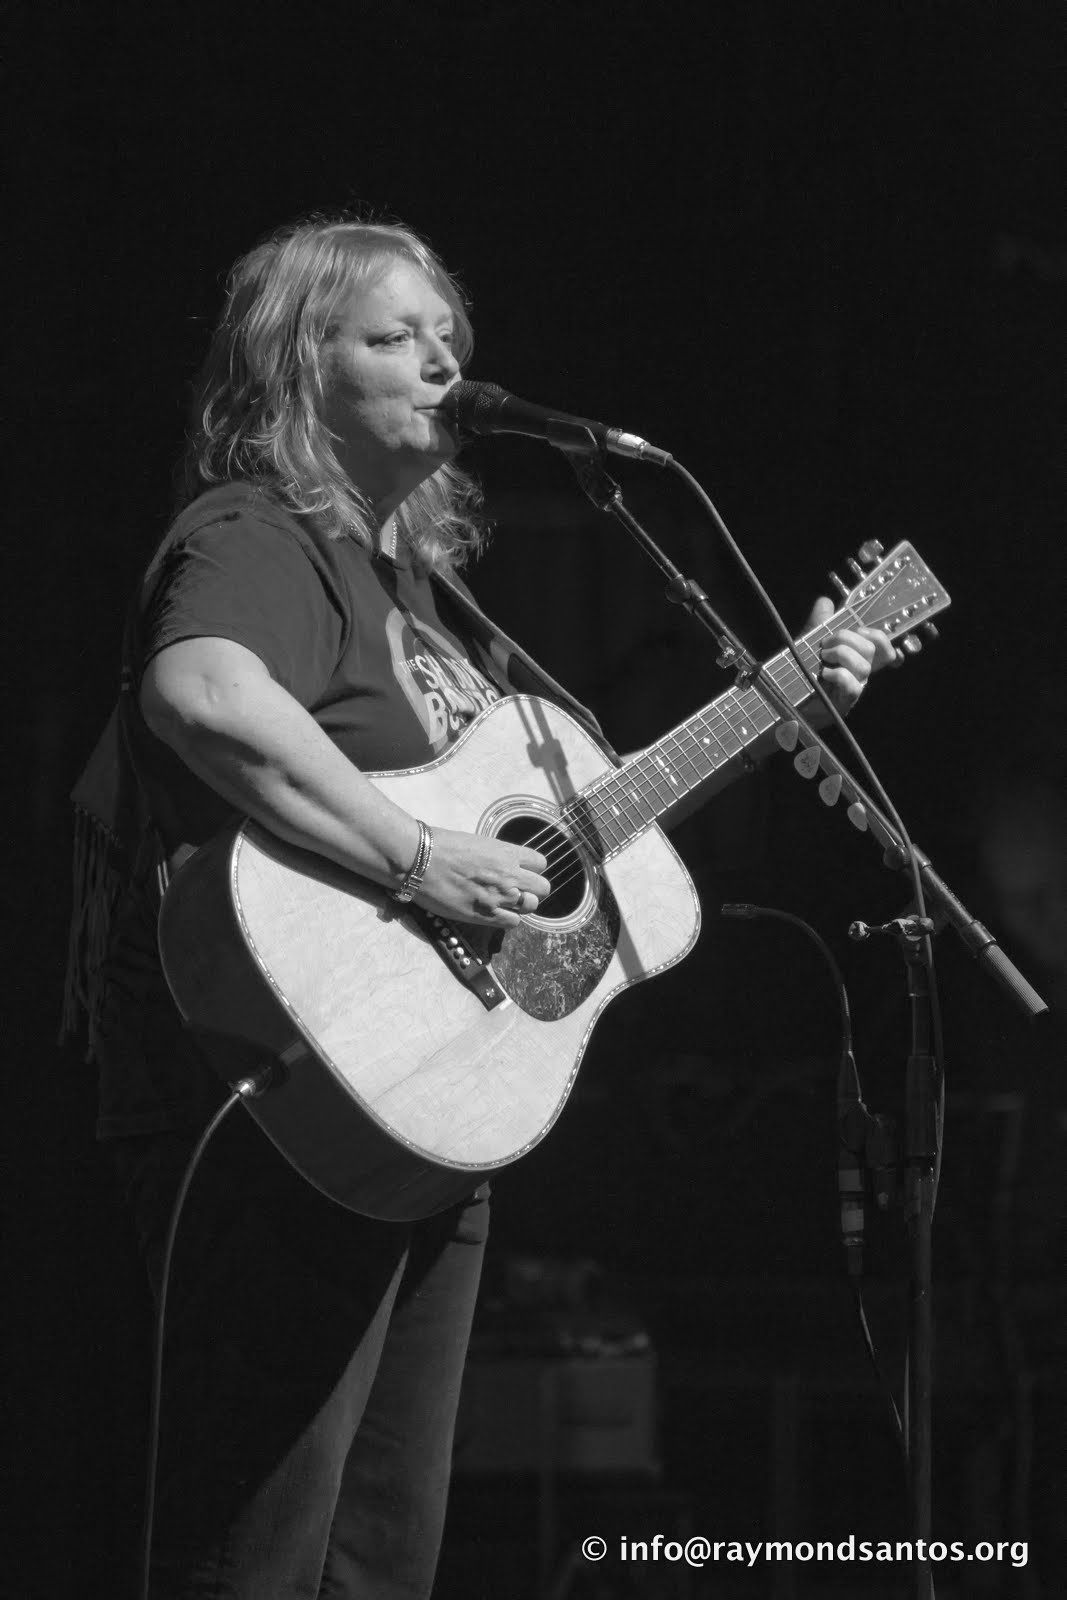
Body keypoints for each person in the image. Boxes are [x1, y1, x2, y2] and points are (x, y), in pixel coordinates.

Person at [63, 217, 891, 1599]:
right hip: (274, 1094)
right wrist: (415, 859)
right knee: (255, 1546)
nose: (442, 362)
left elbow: (580, 826)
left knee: (384, 1556)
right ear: (294, 368)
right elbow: (203, 694)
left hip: (426, 1108)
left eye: (449, 337)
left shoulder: (426, 598)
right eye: (394, 337)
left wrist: (786, 694)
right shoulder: (263, 535)